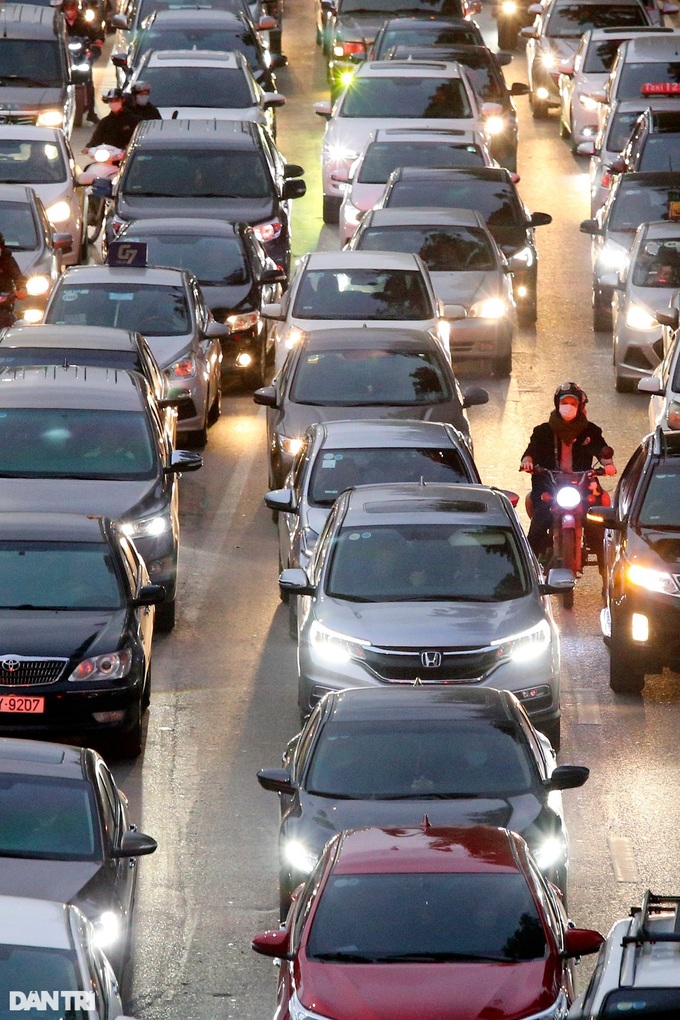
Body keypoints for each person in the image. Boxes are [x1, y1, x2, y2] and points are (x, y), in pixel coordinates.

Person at [519, 382, 616, 560]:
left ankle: (606, 574)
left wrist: (608, 464)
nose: (568, 407)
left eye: (573, 403)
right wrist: (527, 462)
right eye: (564, 402)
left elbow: (601, 449)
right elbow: (530, 452)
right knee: (538, 524)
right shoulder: (542, 431)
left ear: (580, 406)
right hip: (549, 485)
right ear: (557, 404)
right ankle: (530, 568)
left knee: (598, 526)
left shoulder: (590, 431)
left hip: (583, 485)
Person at [56, 0, 103, 124]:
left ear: (76, 8)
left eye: (72, 7)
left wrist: (98, 40)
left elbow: (96, 33)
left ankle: (91, 113)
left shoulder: (84, 21)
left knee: (88, 80)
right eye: (67, 7)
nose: (69, 10)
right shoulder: (58, 20)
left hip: (80, 56)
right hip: (63, 57)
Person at [0, 233, 26, 327]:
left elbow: (18, 277)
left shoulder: (7, 260)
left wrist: (22, 288)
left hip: (5, 303)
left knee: (10, 321)